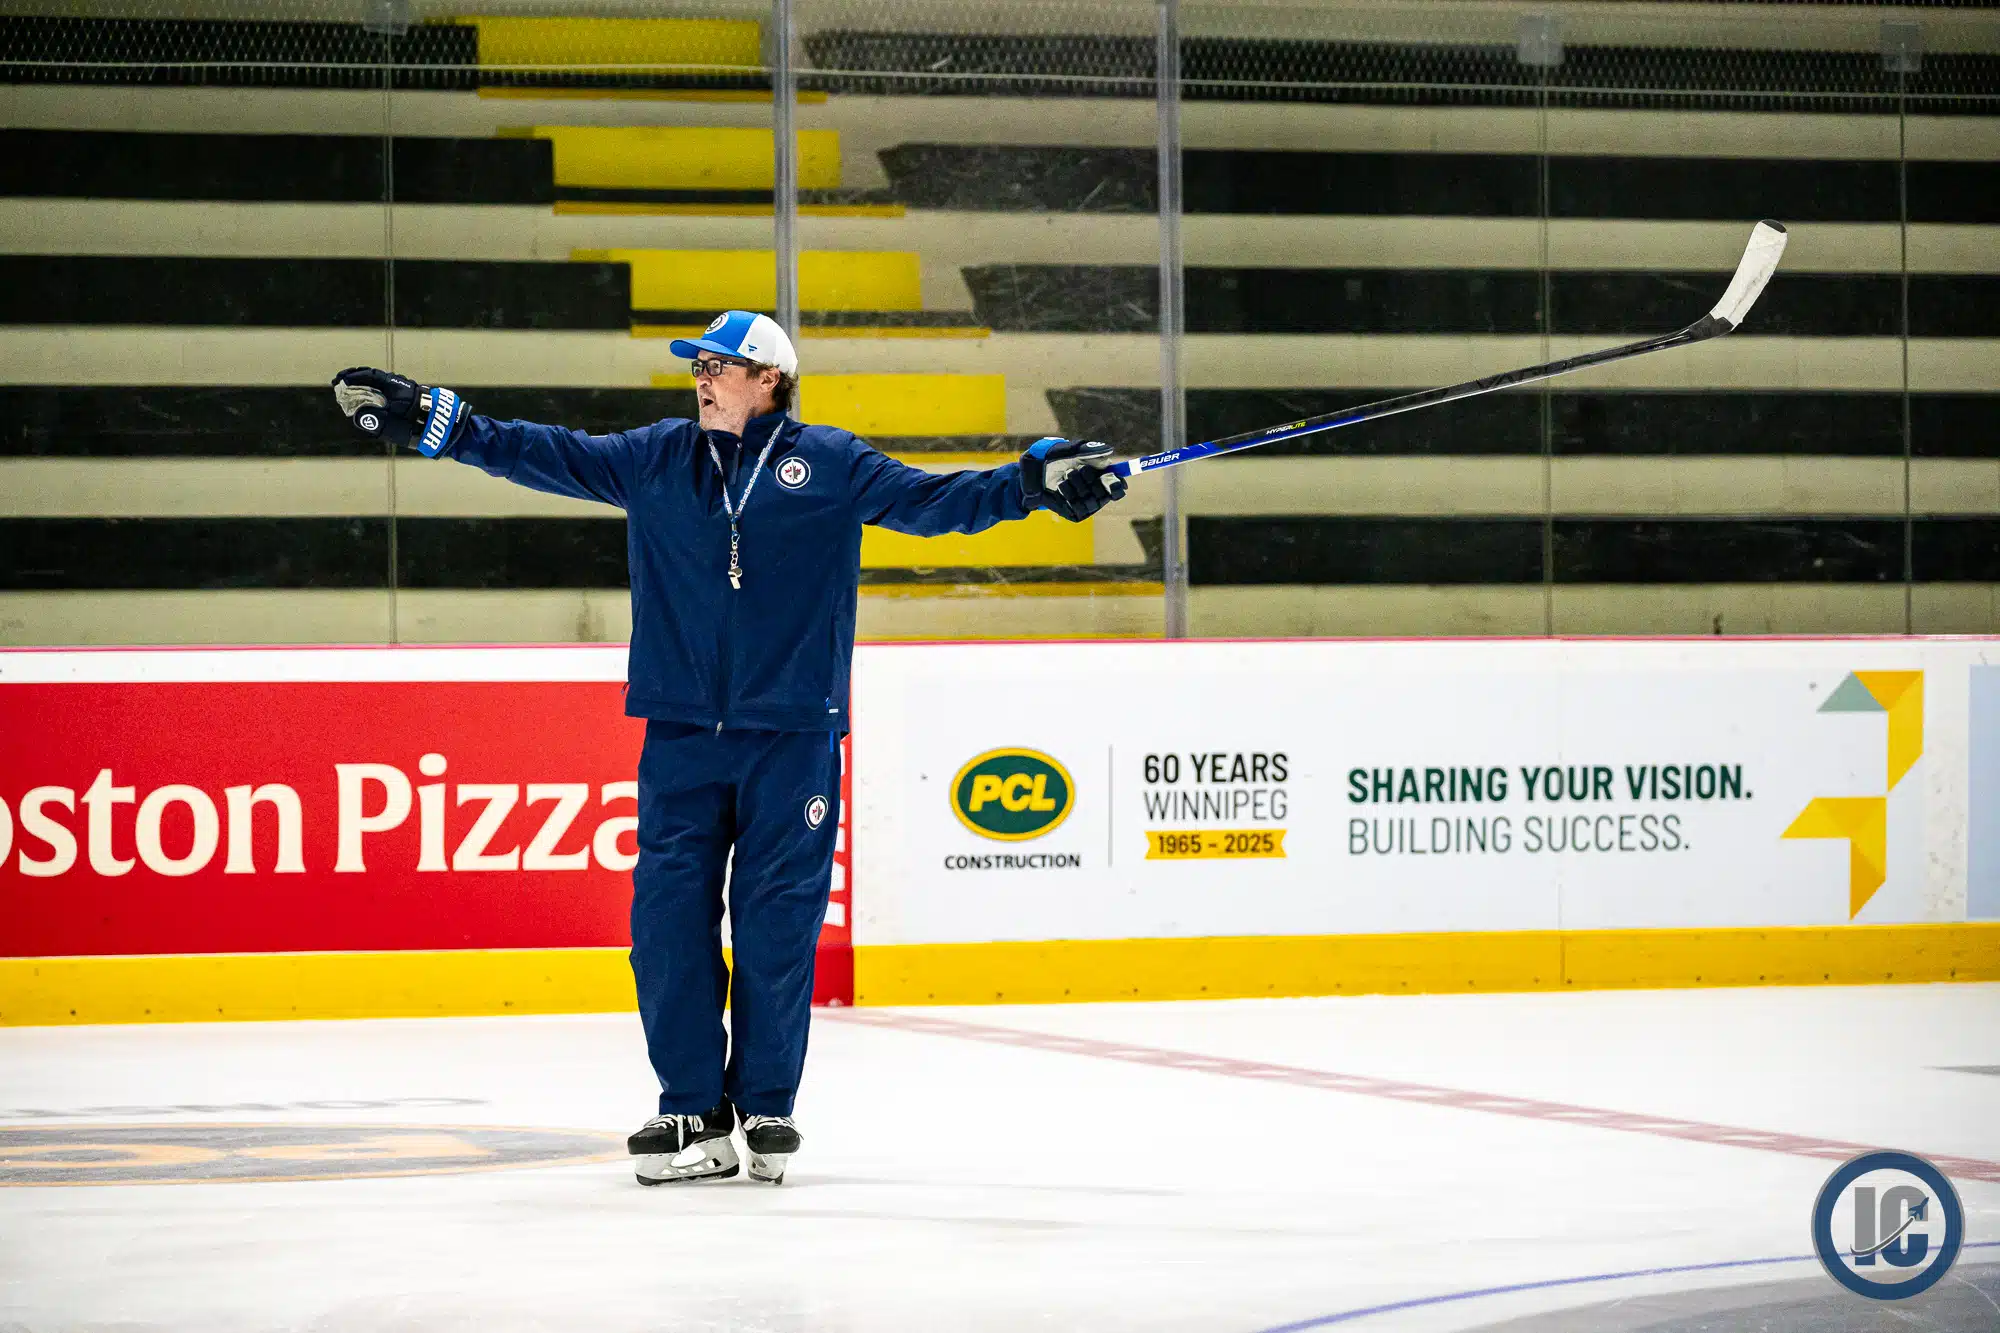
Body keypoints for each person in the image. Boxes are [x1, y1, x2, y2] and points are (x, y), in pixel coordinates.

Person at [330, 310, 1125, 1185]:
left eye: (719, 366)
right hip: (681, 733)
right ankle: (692, 1109)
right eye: (697, 366)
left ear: (769, 379)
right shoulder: (656, 457)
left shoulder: (831, 462)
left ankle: (768, 1104)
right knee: (665, 925)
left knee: (776, 924)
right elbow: (542, 451)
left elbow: (936, 504)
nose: (702, 379)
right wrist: (438, 422)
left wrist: (1033, 482)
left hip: (793, 734)